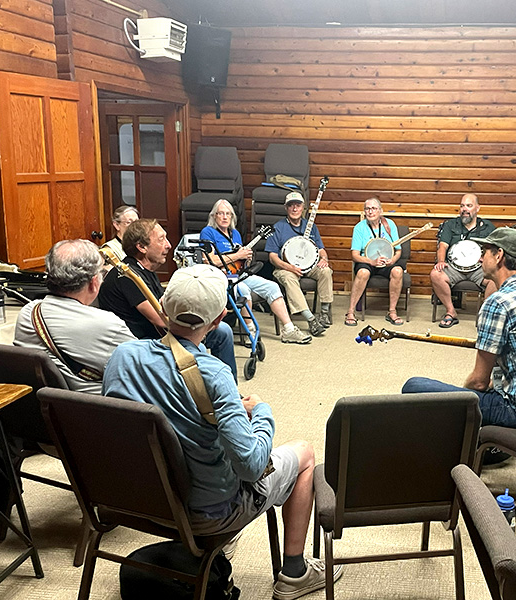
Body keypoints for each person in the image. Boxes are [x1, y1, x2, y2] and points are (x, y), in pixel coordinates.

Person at [102, 264, 343, 600]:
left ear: (163, 307)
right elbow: (251, 466)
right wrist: (261, 412)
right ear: (218, 320)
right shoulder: (214, 373)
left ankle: (217, 547)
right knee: (303, 453)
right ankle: (294, 573)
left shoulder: (122, 356)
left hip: (140, 501)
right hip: (207, 514)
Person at [403, 227, 516, 430]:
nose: (480, 259)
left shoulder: (497, 303)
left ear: (499, 255)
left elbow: (478, 383)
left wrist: (460, 400)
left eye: (484, 252)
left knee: (414, 387)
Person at [98, 218, 240, 379]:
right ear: (141, 247)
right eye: (161, 239)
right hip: (142, 341)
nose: (169, 245)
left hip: (161, 331)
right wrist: (199, 323)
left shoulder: (145, 270)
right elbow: (160, 320)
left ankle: (229, 386)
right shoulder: (128, 276)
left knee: (223, 331)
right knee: (199, 346)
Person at [14, 239, 135, 394]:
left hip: (48, 409)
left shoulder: (28, 313)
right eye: (101, 272)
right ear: (93, 283)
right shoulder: (108, 325)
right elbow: (150, 371)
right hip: (103, 411)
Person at [199, 199, 312, 345]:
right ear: (214, 216)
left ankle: (289, 330)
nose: (225, 217)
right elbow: (209, 260)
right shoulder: (208, 232)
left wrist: (245, 259)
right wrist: (237, 256)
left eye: (228, 214)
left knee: (273, 287)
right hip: (219, 277)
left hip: (238, 275)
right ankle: (249, 331)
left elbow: (239, 263)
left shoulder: (235, 234)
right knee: (243, 289)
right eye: (221, 213)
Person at [265, 191, 334, 336]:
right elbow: (272, 257)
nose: (294, 209)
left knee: (326, 271)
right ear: (286, 208)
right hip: (285, 267)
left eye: (298, 205)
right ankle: (311, 320)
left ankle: (324, 313)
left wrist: (324, 259)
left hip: (309, 265)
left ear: (303, 208)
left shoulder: (311, 226)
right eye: (291, 206)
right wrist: (289, 267)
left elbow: (321, 249)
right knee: (289, 279)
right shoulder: (278, 227)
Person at [430, 193, 496, 328]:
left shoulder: (487, 227)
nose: (464, 209)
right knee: (435, 274)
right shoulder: (450, 225)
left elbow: (495, 248)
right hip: (454, 267)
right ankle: (451, 312)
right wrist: (441, 261)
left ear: (477, 208)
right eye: (462, 206)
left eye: (469, 206)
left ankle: (485, 314)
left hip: (478, 268)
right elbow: (442, 245)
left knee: (496, 278)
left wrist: (487, 258)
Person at [345, 197, 404, 327]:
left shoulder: (389, 225)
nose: (370, 212)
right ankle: (351, 312)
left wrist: (392, 260)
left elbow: (398, 250)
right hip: (366, 261)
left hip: (386, 261)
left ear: (380, 211)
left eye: (373, 208)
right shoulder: (359, 228)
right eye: (367, 209)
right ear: (364, 212)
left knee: (398, 271)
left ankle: (392, 312)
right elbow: (354, 255)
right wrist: (371, 262)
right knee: (363, 272)